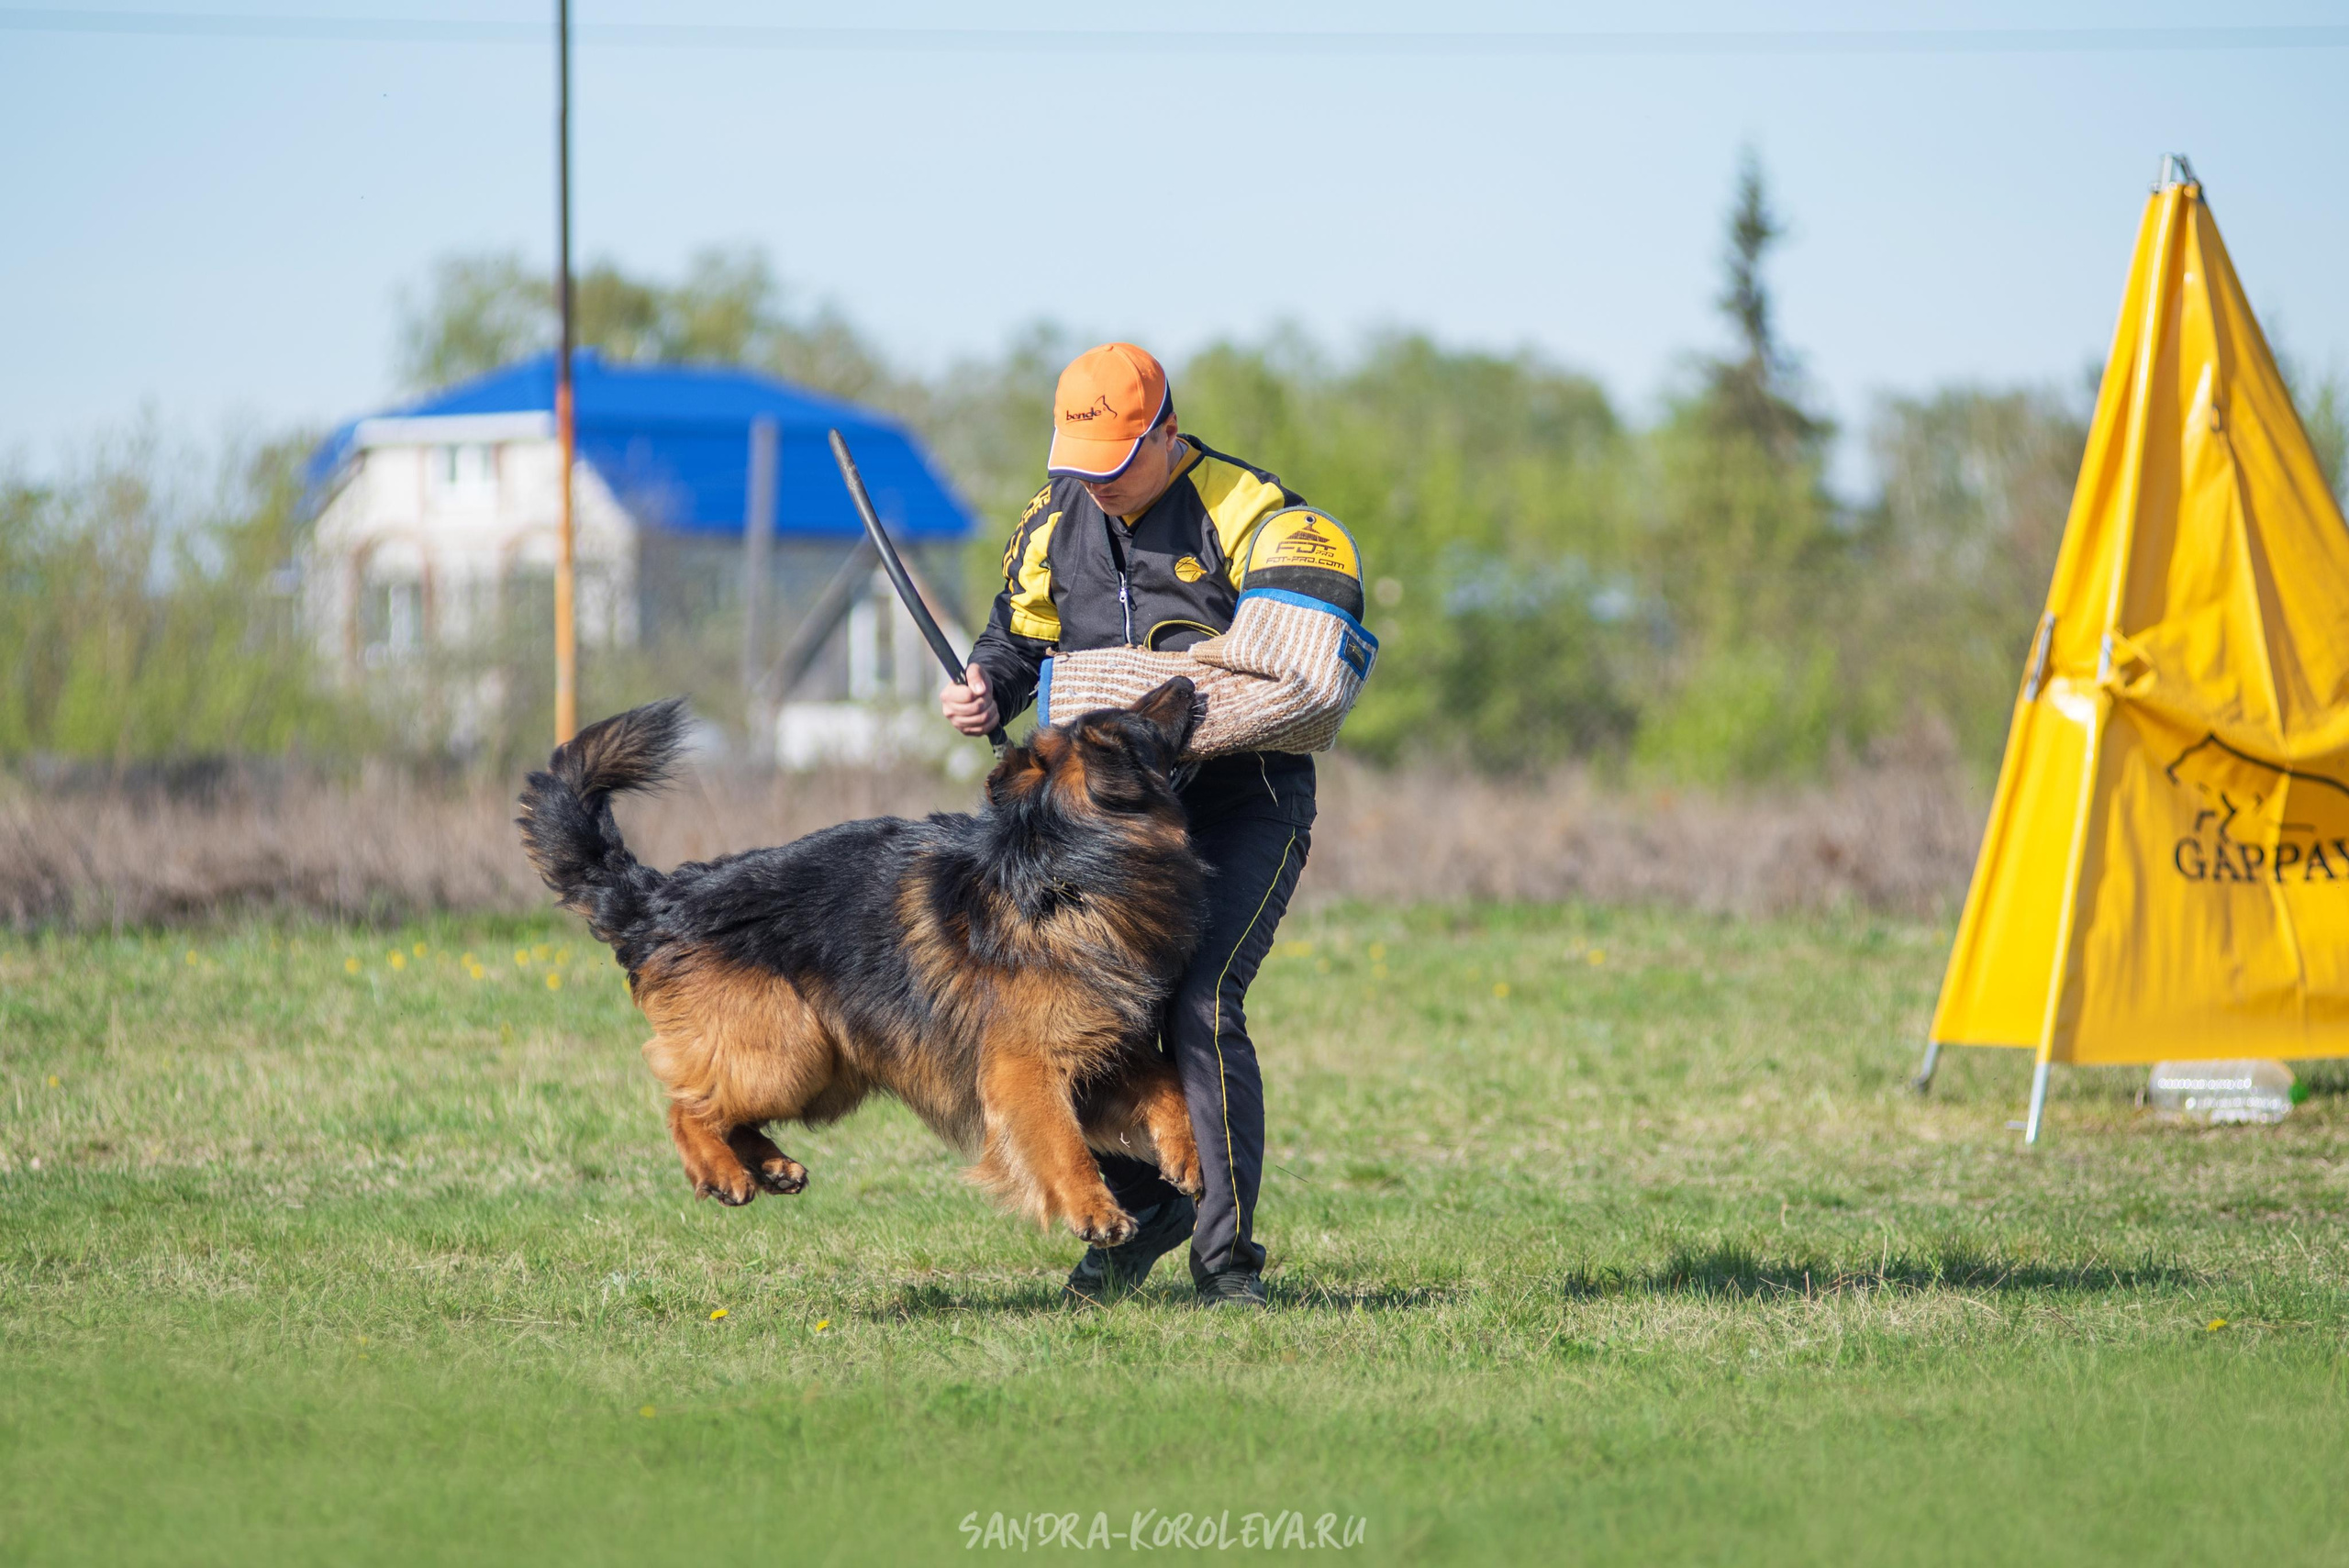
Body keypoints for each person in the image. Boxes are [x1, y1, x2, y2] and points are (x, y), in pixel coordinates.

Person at [944, 342, 1315, 1309]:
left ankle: (1226, 1260)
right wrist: (988, 685)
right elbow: (1018, 635)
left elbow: (1302, 658)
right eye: (1081, 465)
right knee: (1100, 1019)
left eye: (1115, 464)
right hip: (1104, 826)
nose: (1096, 487)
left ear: (1163, 432)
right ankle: (1148, 1207)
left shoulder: (1247, 509)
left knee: (1198, 1002)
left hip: (1240, 803)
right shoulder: (1052, 517)